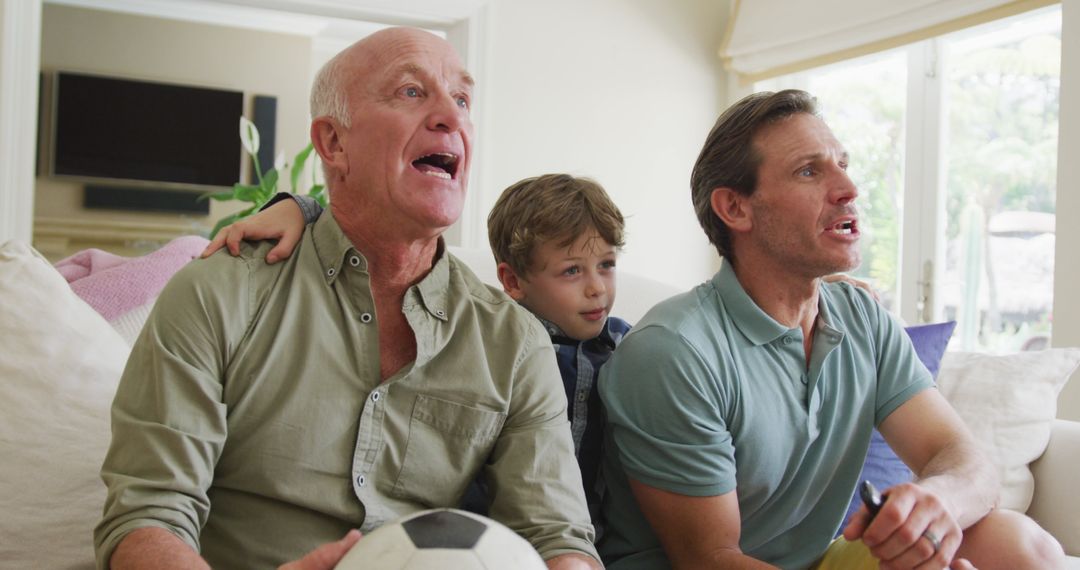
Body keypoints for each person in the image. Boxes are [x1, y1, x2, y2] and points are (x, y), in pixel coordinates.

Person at [93, 27, 600, 570]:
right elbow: (146, 518)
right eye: (411, 91)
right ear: (334, 143)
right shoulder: (219, 293)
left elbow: (558, 537)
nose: (449, 116)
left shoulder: (514, 342)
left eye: (461, 99)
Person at [596, 89, 1066, 569]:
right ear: (736, 209)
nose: (849, 188)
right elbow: (712, 560)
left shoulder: (863, 320)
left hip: (817, 561)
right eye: (809, 171)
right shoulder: (672, 351)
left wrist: (938, 501)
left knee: (1020, 545)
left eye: (843, 164)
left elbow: (964, 459)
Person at [208, 173, 632, 531]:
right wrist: (300, 207)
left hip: (587, 540)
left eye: (607, 265)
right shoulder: (490, 346)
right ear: (514, 281)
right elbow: (352, 229)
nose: (597, 287)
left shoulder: (626, 348)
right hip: (482, 540)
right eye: (572, 271)